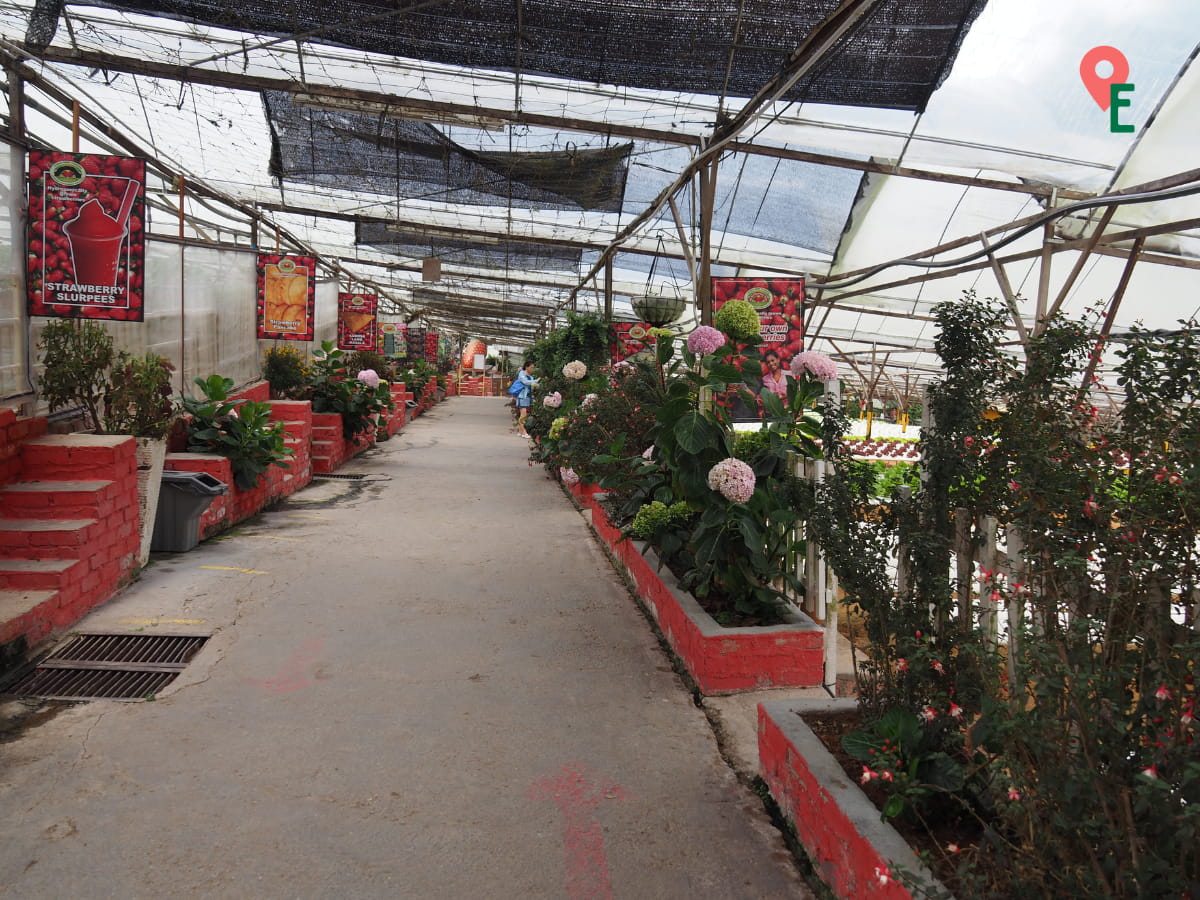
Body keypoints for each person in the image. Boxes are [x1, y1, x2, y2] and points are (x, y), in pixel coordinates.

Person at [515, 360, 539, 437]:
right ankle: (524, 432)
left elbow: (532, 386)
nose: (533, 369)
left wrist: (536, 384)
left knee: (523, 415)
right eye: (531, 367)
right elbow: (525, 382)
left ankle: (520, 431)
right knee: (523, 415)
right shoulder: (522, 374)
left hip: (528, 397)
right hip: (522, 396)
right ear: (526, 367)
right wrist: (536, 381)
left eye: (533, 368)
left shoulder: (531, 377)